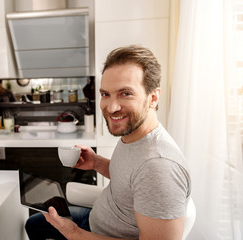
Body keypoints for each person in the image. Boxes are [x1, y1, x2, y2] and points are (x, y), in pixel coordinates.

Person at [25, 45, 191, 240]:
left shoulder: (159, 168)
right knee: (34, 224)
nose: (111, 107)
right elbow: (130, 180)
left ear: (152, 98)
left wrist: (73, 233)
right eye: (106, 94)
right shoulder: (135, 136)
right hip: (97, 219)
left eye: (126, 93)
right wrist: (96, 162)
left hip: (93, 233)